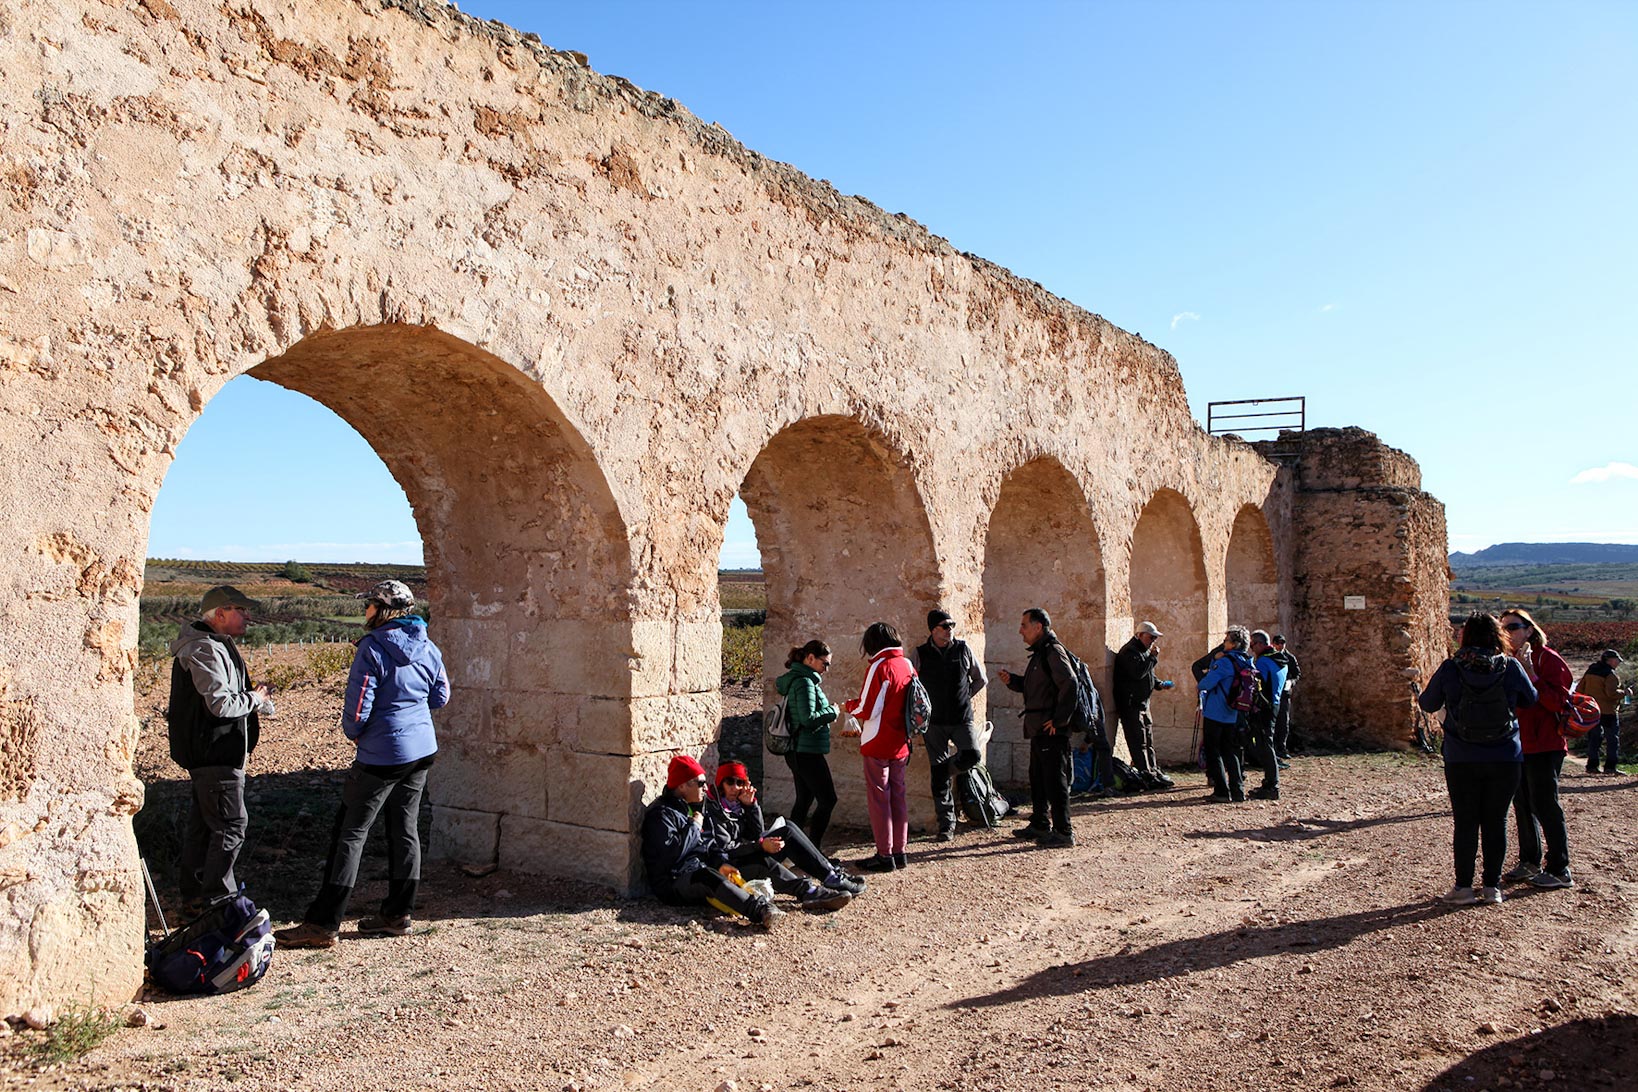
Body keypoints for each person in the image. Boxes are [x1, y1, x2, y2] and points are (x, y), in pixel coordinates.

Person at [277, 580, 450, 948]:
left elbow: (357, 710)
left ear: (384, 610)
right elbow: (441, 695)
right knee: (405, 829)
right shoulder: (427, 644)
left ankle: (324, 924)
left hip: (382, 753)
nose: (365, 611)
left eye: (370, 605)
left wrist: (357, 733)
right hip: (421, 749)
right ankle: (398, 915)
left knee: (350, 833)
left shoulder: (372, 648)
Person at [167, 585, 273, 913]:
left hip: (211, 752)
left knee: (204, 827)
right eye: (240, 610)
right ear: (221, 614)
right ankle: (219, 901)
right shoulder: (205, 649)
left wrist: (256, 702)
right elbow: (220, 704)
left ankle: (196, 898)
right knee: (231, 826)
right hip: (216, 752)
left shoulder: (211, 645)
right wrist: (256, 699)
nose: (247, 616)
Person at [1418, 612, 1536, 905]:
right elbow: (1531, 699)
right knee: (1496, 821)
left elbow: (1428, 703)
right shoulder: (1509, 667)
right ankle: (1492, 887)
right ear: (1498, 635)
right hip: (1506, 756)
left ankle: (1463, 888)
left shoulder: (1452, 667)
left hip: (1462, 756)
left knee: (1466, 822)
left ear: (1466, 635)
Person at [640, 755, 780, 928]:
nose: (705, 788)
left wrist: (721, 863)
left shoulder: (692, 807)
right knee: (707, 877)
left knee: (753, 863)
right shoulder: (661, 814)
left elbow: (709, 844)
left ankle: (808, 891)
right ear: (682, 785)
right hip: (673, 882)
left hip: (697, 868)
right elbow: (670, 856)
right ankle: (759, 910)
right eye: (700, 783)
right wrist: (694, 827)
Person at [705, 761, 863, 908]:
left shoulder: (737, 805)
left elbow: (756, 833)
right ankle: (808, 892)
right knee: (762, 861)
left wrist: (751, 807)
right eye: (730, 782)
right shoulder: (715, 811)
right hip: (729, 866)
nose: (735, 788)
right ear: (720, 784)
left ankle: (830, 875)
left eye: (740, 782)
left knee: (788, 829)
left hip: (745, 853)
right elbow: (726, 849)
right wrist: (760, 845)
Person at [1499, 608, 1575, 890]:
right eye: (1503, 627)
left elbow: (1558, 702)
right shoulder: (1509, 661)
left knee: (1545, 804)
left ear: (1529, 630)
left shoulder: (1548, 659)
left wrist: (1532, 675)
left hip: (1546, 744)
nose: (1508, 632)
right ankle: (1530, 861)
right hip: (1520, 744)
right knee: (1523, 804)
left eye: (1514, 627)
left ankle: (1560, 868)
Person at [998, 608, 1078, 847]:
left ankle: (1063, 832)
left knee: (1054, 781)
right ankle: (1040, 823)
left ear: (1038, 627)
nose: (1020, 631)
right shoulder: (1041, 654)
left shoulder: (1052, 651)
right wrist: (1013, 681)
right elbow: (1038, 690)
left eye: (1024, 625)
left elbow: (1070, 683)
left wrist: (1059, 720)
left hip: (1050, 730)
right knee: (1039, 778)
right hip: (1039, 729)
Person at [908, 609, 988, 841]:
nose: (949, 629)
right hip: (934, 723)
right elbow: (911, 684)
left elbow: (980, 679)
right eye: (945, 626)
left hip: (962, 718)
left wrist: (964, 697)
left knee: (971, 755)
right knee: (938, 772)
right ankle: (946, 824)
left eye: (951, 625)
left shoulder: (962, 649)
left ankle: (943, 771)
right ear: (933, 630)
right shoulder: (920, 653)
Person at [842, 622, 915, 872]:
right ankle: (899, 851)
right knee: (898, 796)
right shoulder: (906, 664)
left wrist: (848, 706)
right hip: (901, 740)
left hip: (878, 740)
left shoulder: (878, 666)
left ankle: (884, 854)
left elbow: (867, 708)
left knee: (879, 799)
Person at [775, 640, 840, 848]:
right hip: (806, 751)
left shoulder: (801, 680)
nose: (827, 669)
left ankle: (791, 848)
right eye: (825, 663)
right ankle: (813, 849)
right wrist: (833, 712)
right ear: (810, 658)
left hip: (799, 750)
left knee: (804, 800)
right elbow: (808, 718)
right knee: (828, 799)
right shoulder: (805, 683)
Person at [1112, 621, 1175, 790]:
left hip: (1142, 703)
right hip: (1131, 705)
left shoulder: (1143, 651)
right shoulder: (1129, 652)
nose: (1153, 641)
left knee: (1148, 739)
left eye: (1155, 638)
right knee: (1138, 740)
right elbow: (1138, 672)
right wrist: (1153, 658)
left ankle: (1153, 770)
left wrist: (1159, 684)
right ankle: (1145, 774)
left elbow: (1148, 676)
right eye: (1150, 637)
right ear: (1139, 635)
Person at [1196, 627, 1254, 803]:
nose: (1224, 643)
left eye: (1227, 640)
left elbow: (1205, 684)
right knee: (1231, 751)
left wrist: (1214, 665)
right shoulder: (1247, 661)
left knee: (1213, 751)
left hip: (1216, 711)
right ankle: (1238, 790)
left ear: (1234, 644)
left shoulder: (1224, 662)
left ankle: (1221, 791)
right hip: (1233, 713)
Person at [1245, 631, 1288, 801]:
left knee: (1264, 744)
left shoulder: (1263, 660)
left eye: (1253, 645)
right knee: (1266, 742)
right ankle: (1270, 782)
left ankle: (1272, 784)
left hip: (1264, 707)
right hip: (1276, 704)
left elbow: (1256, 683)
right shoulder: (1281, 659)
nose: (1251, 649)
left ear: (1260, 644)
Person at [1578, 649, 1628, 774]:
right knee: (1612, 739)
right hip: (1608, 712)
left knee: (1594, 738)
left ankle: (1592, 766)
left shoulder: (1590, 671)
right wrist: (1625, 693)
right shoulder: (1610, 675)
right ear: (1610, 660)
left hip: (1592, 710)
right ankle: (1610, 767)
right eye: (1616, 660)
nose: (1618, 663)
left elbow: (1579, 689)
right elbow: (1611, 694)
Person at [1267, 634, 1301, 761]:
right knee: (1271, 723)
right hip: (1271, 694)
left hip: (1284, 694)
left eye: (1282, 643)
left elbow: (1297, 674)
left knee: (1283, 722)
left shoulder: (1289, 658)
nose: (1280, 645)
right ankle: (1272, 749)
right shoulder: (1269, 657)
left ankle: (1281, 748)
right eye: (1278, 643)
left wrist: (1290, 682)